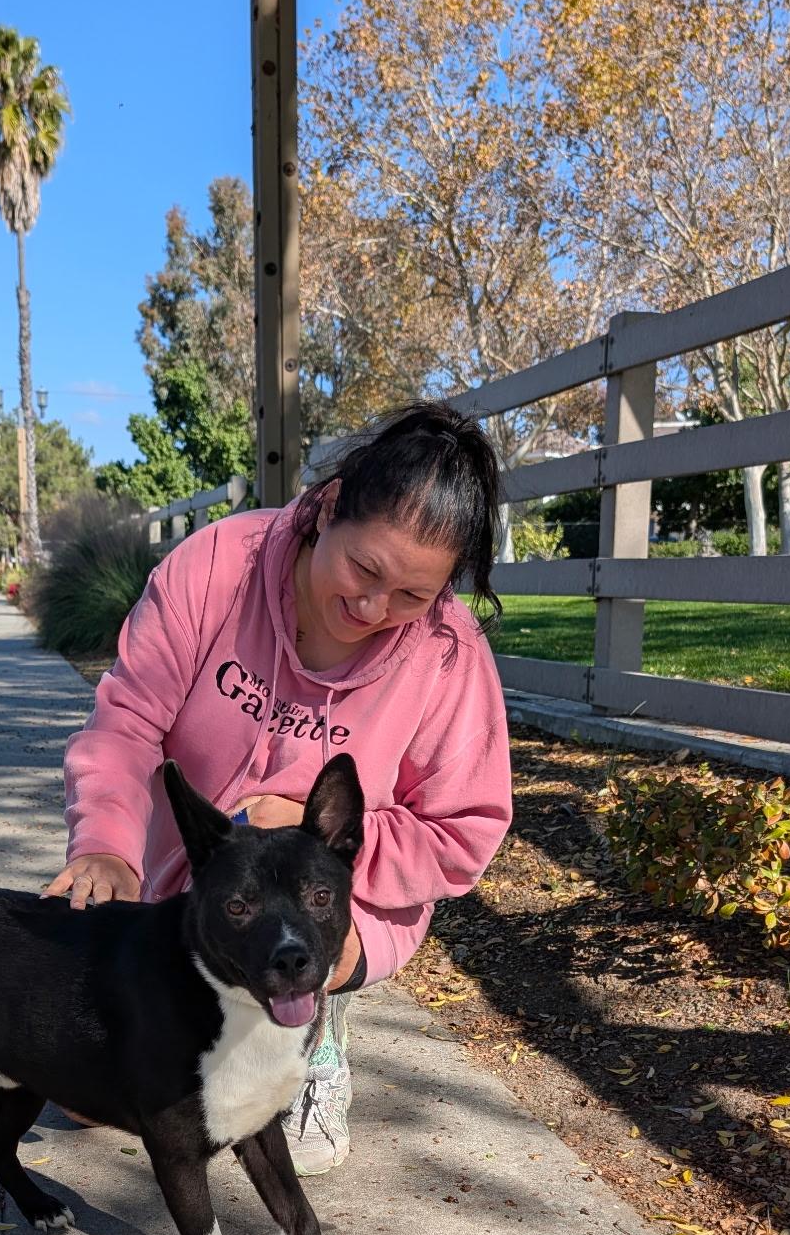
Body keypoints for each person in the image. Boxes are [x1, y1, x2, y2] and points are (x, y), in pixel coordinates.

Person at [45, 402, 514, 1173]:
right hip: (196, 875)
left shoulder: (447, 653)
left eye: (411, 595)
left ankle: (314, 1037)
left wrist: (308, 831)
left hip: (343, 896)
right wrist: (106, 845)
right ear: (328, 508)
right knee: (86, 1095)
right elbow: (125, 723)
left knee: (302, 923)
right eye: (364, 569)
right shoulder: (216, 568)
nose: (373, 609)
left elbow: (464, 831)